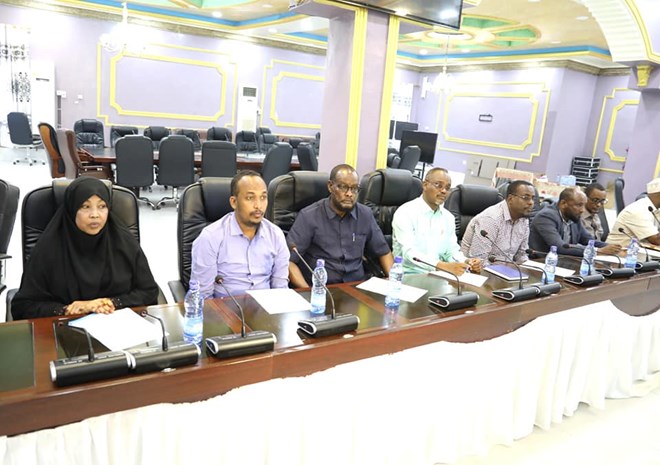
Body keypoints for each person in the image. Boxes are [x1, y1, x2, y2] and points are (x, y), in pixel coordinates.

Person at [12, 177, 159, 320]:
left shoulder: (124, 242)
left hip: (118, 326)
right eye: (85, 206)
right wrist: (66, 310)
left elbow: (149, 292)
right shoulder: (48, 249)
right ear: (72, 209)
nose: (95, 215)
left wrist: (111, 303)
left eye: (102, 206)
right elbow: (23, 306)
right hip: (64, 329)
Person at [287, 164, 393, 287]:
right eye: (343, 187)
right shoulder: (309, 216)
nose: (349, 194)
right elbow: (289, 262)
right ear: (330, 186)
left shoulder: (365, 214)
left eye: (354, 189)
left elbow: (383, 252)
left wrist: (394, 283)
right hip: (322, 287)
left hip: (357, 286)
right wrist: (309, 291)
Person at [191, 170, 289, 298]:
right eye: (250, 198)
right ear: (234, 202)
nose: (258, 206)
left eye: (263, 197)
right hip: (226, 306)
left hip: (266, 306)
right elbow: (202, 295)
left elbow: (280, 288)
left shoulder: (276, 235)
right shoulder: (211, 237)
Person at [392, 167, 482, 275]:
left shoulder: (448, 218)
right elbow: (409, 253)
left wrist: (466, 262)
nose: (444, 191)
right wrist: (441, 266)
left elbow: (450, 251)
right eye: (438, 185)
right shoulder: (405, 212)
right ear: (425, 185)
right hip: (408, 275)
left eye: (447, 188)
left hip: (439, 275)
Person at [529, 187, 620, 257]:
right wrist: (598, 251)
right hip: (542, 263)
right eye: (579, 205)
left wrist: (614, 248)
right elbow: (560, 247)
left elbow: (588, 240)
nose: (582, 210)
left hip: (565, 262)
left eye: (583, 205)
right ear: (563, 204)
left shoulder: (573, 217)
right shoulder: (546, 217)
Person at [460, 180, 535, 264]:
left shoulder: (523, 220)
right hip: (475, 269)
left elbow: (522, 255)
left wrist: (530, 268)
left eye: (533, 198)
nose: (531, 202)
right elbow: (479, 260)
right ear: (510, 199)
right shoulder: (491, 219)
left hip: (507, 269)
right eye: (526, 198)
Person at [608, 177, 660, 248]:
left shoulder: (654, 209)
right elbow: (657, 240)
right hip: (618, 252)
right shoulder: (639, 210)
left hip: (638, 250)